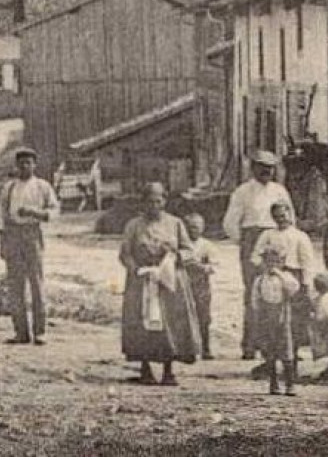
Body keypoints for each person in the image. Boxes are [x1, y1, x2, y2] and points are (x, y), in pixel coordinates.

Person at [119, 182, 201, 386]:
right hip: (143, 279)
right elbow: (125, 253)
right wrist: (135, 269)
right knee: (143, 321)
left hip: (169, 280)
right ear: (143, 202)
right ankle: (145, 368)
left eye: (159, 201)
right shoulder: (134, 225)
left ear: (165, 201)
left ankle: (168, 370)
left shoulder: (175, 223)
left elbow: (189, 250)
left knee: (170, 323)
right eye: (150, 201)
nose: (154, 205)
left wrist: (175, 254)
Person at [222, 150, 293, 359]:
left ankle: (276, 346)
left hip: (277, 241)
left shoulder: (280, 191)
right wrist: (244, 243)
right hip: (252, 241)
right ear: (253, 168)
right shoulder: (243, 192)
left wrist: (285, 242)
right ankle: (250, 345)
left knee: (277, 291)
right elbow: (230, 223)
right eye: (261, 167)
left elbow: (291, 219)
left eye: (270, 168)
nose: (266, 171)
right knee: (254, 293)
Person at [0, 147, 59, 345]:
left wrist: (34, 212)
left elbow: (54, 211)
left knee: (36, 283)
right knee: (15, 286)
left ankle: (40, 331)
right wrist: (3, 243)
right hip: (13, 235)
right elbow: (2, 217)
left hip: (32, 234)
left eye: (28, 163)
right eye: (21, 163)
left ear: (35, 165)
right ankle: (21, 332)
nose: (24, 167)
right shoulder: (9, 188)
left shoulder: (42, 186)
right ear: (16, 166)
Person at [251, 200, 318, 376]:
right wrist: (265, 267)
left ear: (290, 214)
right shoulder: (267, 235)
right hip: (272, 278)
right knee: (271, 322)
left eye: (284, 215)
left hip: (293, 279)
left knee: (293, 323)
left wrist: (306, 284)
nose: (281, 219)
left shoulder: (300, 236)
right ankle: (270, 362)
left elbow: (307, 263)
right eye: (277, 216)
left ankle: (292, 362)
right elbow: (255, 257)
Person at [249, 246, 300, 396]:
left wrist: (280, 274)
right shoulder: (259, 280)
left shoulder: (286, 277)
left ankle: (290, 384)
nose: (272, 265)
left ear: (282, 263)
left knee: (286, 350)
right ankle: (273, 383)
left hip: (282, 317)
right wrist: (258, 315)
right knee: (269, 350)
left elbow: (293, 289)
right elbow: (255, 300)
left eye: (276, 262)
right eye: (268, 262)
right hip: (266, 318)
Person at [182, 212, 217, 360]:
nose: (192, 231)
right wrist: (197, 264)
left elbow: (213, 265)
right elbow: (182, 261)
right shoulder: (181, 244)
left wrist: (200, 266)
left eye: (196, 227)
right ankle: (188, 349)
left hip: (202, 284)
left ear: (202, 228)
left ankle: (205, 348)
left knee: (204, 316)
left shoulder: (207, 245)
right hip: (184, 283)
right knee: (186, 315)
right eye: (189, 228)